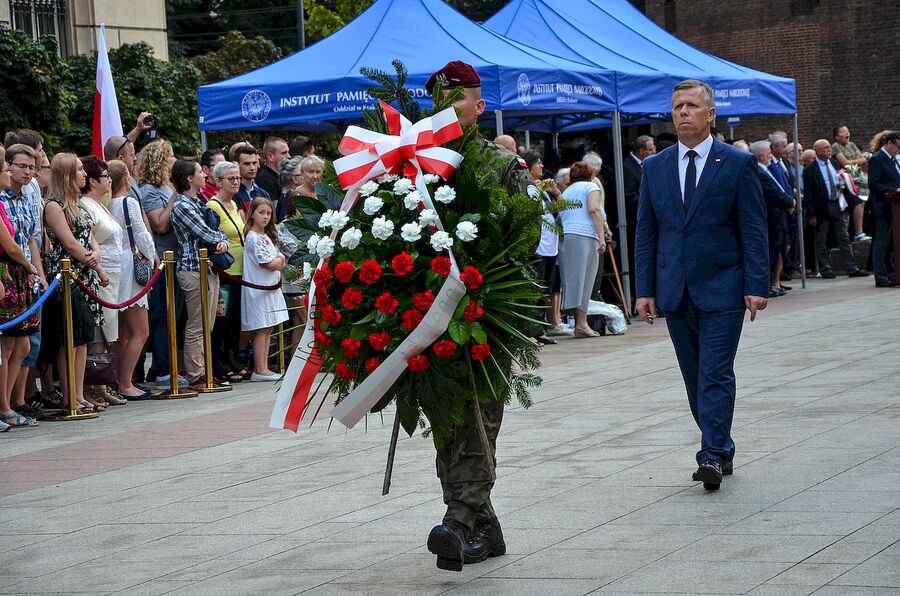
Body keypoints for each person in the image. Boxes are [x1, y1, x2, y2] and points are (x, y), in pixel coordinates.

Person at [422, 60, 535, 572]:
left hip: (487, 311)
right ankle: (482, 528)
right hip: (426, 314)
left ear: (479, 105)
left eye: (457, 97)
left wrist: (483, 268)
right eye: (438, 99)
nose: (446, 106)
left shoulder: (498, 164)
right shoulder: (417, 163)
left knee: (480, 417)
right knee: (446, 417)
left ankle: (459, 521)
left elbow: (527, 235)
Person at [634, 79, 769, 490]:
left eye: (692, 106)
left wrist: (757, 283)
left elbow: (753, 228)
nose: (683, 113)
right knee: (694, 375)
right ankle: (721, 446)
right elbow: (646, 231)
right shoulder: (655, 167)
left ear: (711, 114)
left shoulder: (737, 163)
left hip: (724, 286)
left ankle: (709, 453)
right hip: (674, 288)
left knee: (714, 372)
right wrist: (644, 290)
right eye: (677, 107)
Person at [41, 153, 109, 414]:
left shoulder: (79, 204)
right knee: (68, 339)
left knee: (82, 339)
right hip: (66, 277)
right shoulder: (54, 206)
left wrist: (98, 259)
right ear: (67, 174)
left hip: (85, 275)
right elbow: (69, 243)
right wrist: (94, 261)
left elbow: (90, 237)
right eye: (79, 170)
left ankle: (79, 395)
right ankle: (70, 395)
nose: (84, 174)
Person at [170, 159, 229, 387]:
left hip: (207, 268)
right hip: (193, 269)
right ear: (188, 178)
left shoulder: (198, 201)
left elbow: (216, 231)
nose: (204, 176)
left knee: (208, 323)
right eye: (199, 172)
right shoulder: (182, 205)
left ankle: (205, 369)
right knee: (197, 323)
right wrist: (220, 240)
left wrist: (220, 239)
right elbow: (205, 232)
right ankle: (196, 374)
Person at [136, 139, 186, 389]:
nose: (174, 160)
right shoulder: (149, 191)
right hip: (162, 259)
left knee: (174, 315)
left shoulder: (166, 188)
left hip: (176, 257)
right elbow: (160, 224)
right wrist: (176, 195)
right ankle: (163, 369)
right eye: (170, 156)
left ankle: (166, 366)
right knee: (162, 316)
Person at [0, 144, 45, 422]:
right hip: (9, 270)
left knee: (24, 345)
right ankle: (5, 406)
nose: (27, 172)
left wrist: (38, 272)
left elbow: (29, 238)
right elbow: (10, 244)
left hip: (24, 272)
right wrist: (28, 266)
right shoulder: (1, 198)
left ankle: (12, 403)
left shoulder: (27, 196)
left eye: (32, 167)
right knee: (7, 344)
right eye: (20, 166)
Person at [79, 156, 127, 407]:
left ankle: (102, 383)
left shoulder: (101, 204)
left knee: (110, 330)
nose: (109, 180)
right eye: (105, 176)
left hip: (114, 273)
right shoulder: (86, 204)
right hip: (101, 273)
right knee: (99, 330)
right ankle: (93, 385)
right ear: (93, 181)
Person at [107, 160, 156, 400]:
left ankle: (116, 379)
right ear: (126, 178)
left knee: (122, 333)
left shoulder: (106, 203)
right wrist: (153, 258)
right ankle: (125, 382)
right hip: (131, 263)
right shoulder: (128, 202)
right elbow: (142, 234)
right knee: (140, 331)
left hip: (117, 264)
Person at [803, 139, 870, 280]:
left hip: (836, 203)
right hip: (821, 207)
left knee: (843, 236)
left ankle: (852, 267)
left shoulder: (834, 163)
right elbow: (808, 194)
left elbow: (842, 180)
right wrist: (812, 215)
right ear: (818, 151)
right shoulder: (810, 169)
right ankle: (825, 268)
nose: (829, 151)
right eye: (826, 148)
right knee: (822, 238)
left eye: (829, 148)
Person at [207, 160, 248, 382]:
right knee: (222, 320)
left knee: (234, 321)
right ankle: (219, 362)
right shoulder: (214, 206)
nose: (235, 182)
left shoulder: (235, 204)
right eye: (231, 178)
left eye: (238, 178)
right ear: (218, 181)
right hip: (226, 271)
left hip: (241, 271)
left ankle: (232, 358)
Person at [241, 198, 288, 381]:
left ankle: (264, 366)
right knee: (261, 328)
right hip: (259, 289)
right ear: (252, 214)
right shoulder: (253, 237)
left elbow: (278, 257)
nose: (265, 217)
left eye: (268, 213)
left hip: (269, 288)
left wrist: (279, 260)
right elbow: (268, 262)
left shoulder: (266, 236)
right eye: (261, 212)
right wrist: (279, 261)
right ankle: (260, 368)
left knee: (268, 327)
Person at [558, 161, 608, 338]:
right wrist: (602, 238)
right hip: (586, 235)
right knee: (587, 280)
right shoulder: (590, 187)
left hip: (569, 235)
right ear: (590, 174)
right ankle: (582, 324)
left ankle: (579, 322)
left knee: (573, 278)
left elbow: (561, 212)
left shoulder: (567, 190)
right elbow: (594, 210)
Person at [750, 140, 795, 297]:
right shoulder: (759, 171)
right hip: (771, 218)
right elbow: (772, 192)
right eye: (768, 152)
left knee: (777, 251)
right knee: (770, 252)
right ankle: (767, 285)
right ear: (762, 155)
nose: (771, 155)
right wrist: (789, 201)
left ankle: (773, 283)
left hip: (778, 217)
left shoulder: (767, 169)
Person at [867, 130, 900, 288]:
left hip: (895, 208)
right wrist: (894, 191)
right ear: (889, 143)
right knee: (881, 242)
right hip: (883, 207)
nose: (899, 150)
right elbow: (873, 184)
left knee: (892, 243)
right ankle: (880, 275)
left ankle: (892, 271)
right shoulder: (877, 159)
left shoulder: (894, 160)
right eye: (897, 147)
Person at [831, 125, 869, 241]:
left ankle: (858, 231)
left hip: (857, 176)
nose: (847, 133)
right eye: (843, 132)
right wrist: (855, 162)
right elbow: (845, 163)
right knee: (846, 205)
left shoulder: (852, 145)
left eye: (847, 131)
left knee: (861, 201)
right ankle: (846, 235)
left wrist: (853, 162)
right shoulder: (836, 147)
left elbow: (864, 159)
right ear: (837, 136)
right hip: (845, 177)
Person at [278, 155, 324, 223]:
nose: (315, 176)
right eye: (311, 172)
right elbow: (284, 221)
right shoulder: (293, 194)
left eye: (318, 172)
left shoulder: (326, 194)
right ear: (302, 172)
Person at [232, 144, 270, 213]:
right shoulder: (232, 194)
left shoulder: (264, 194)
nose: (252, 168)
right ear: (237, 165)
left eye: (254, 163)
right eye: (247, 164)